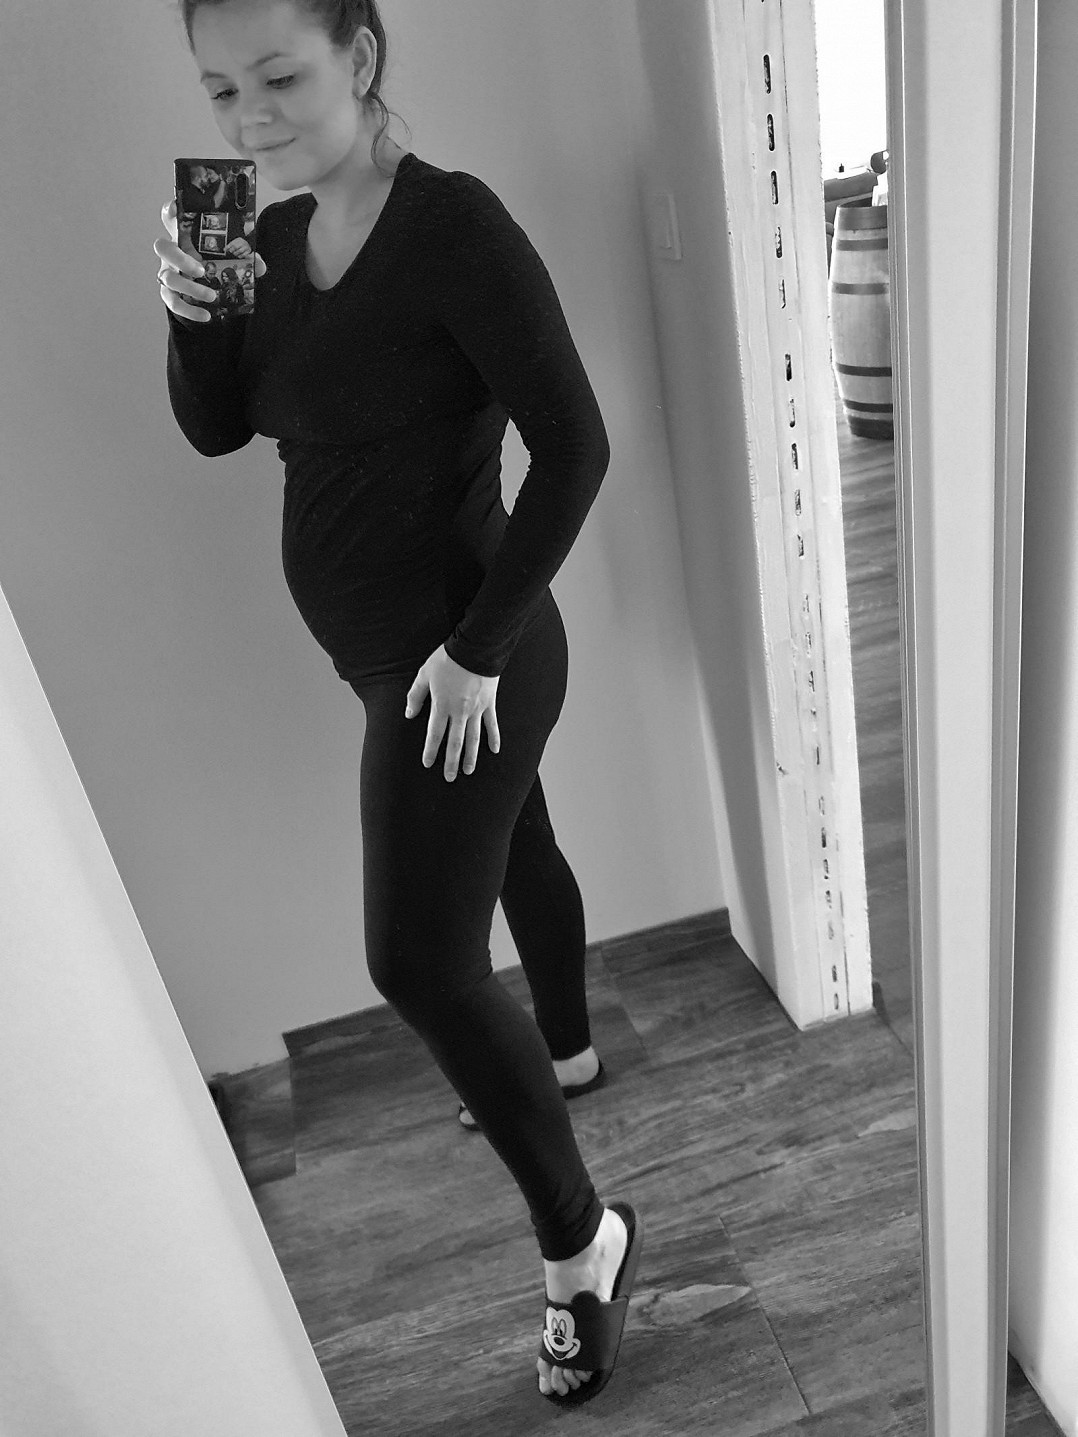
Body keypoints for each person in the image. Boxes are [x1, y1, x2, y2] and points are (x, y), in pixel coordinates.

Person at [154, 0, 643, 1405]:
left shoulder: (452, 228)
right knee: (514, 847)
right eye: (220, 91)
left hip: (463, 660)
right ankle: (564, 1048)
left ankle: (584, 1243)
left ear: (360, 60)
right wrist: (192, 313)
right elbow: (218, 425)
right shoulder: (266, 243)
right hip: (397, 658)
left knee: (419, 963)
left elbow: (574, 445)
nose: (248, 117)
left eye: (278, 77)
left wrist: (476, 651)